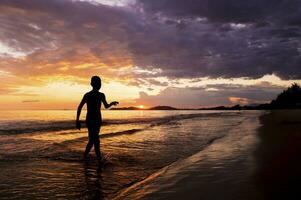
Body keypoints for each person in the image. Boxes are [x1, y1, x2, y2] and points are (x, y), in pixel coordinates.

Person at [76, 76, 118, 162]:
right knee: (95, 140)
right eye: (97, 83)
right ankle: (99, 160)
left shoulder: (100, 95)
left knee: (93, 139)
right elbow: (79, 107)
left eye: (99, 83)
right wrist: (77, 120)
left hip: (97, 120)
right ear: (92, 84)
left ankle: (86, 158)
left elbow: (106, 106)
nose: (99, 85)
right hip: (91, 120)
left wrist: (111, 103)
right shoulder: (88, 95)